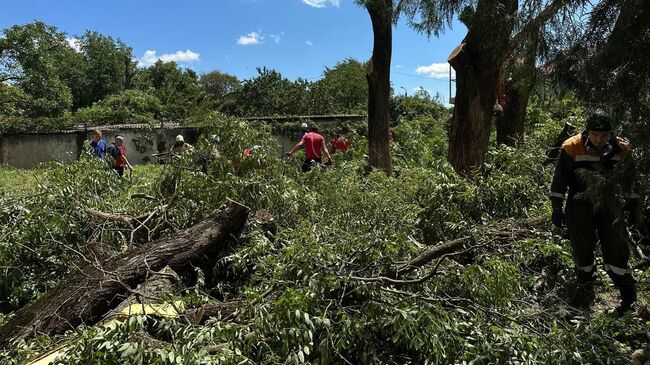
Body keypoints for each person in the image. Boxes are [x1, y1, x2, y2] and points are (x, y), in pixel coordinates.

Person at [550, 112, 639, 314]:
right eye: (595, 134)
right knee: (582, 250)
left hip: (609, 205)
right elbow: (559, 180)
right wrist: (556, 207)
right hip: (579, 204)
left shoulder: (622, 149)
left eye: (604, 135)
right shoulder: (572, 147)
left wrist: (633, 205)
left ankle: (628, 296)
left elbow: (629, 180)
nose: (599, 139)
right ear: (587, 132)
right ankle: (585, 293)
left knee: (617, 248)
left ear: (610, 133)